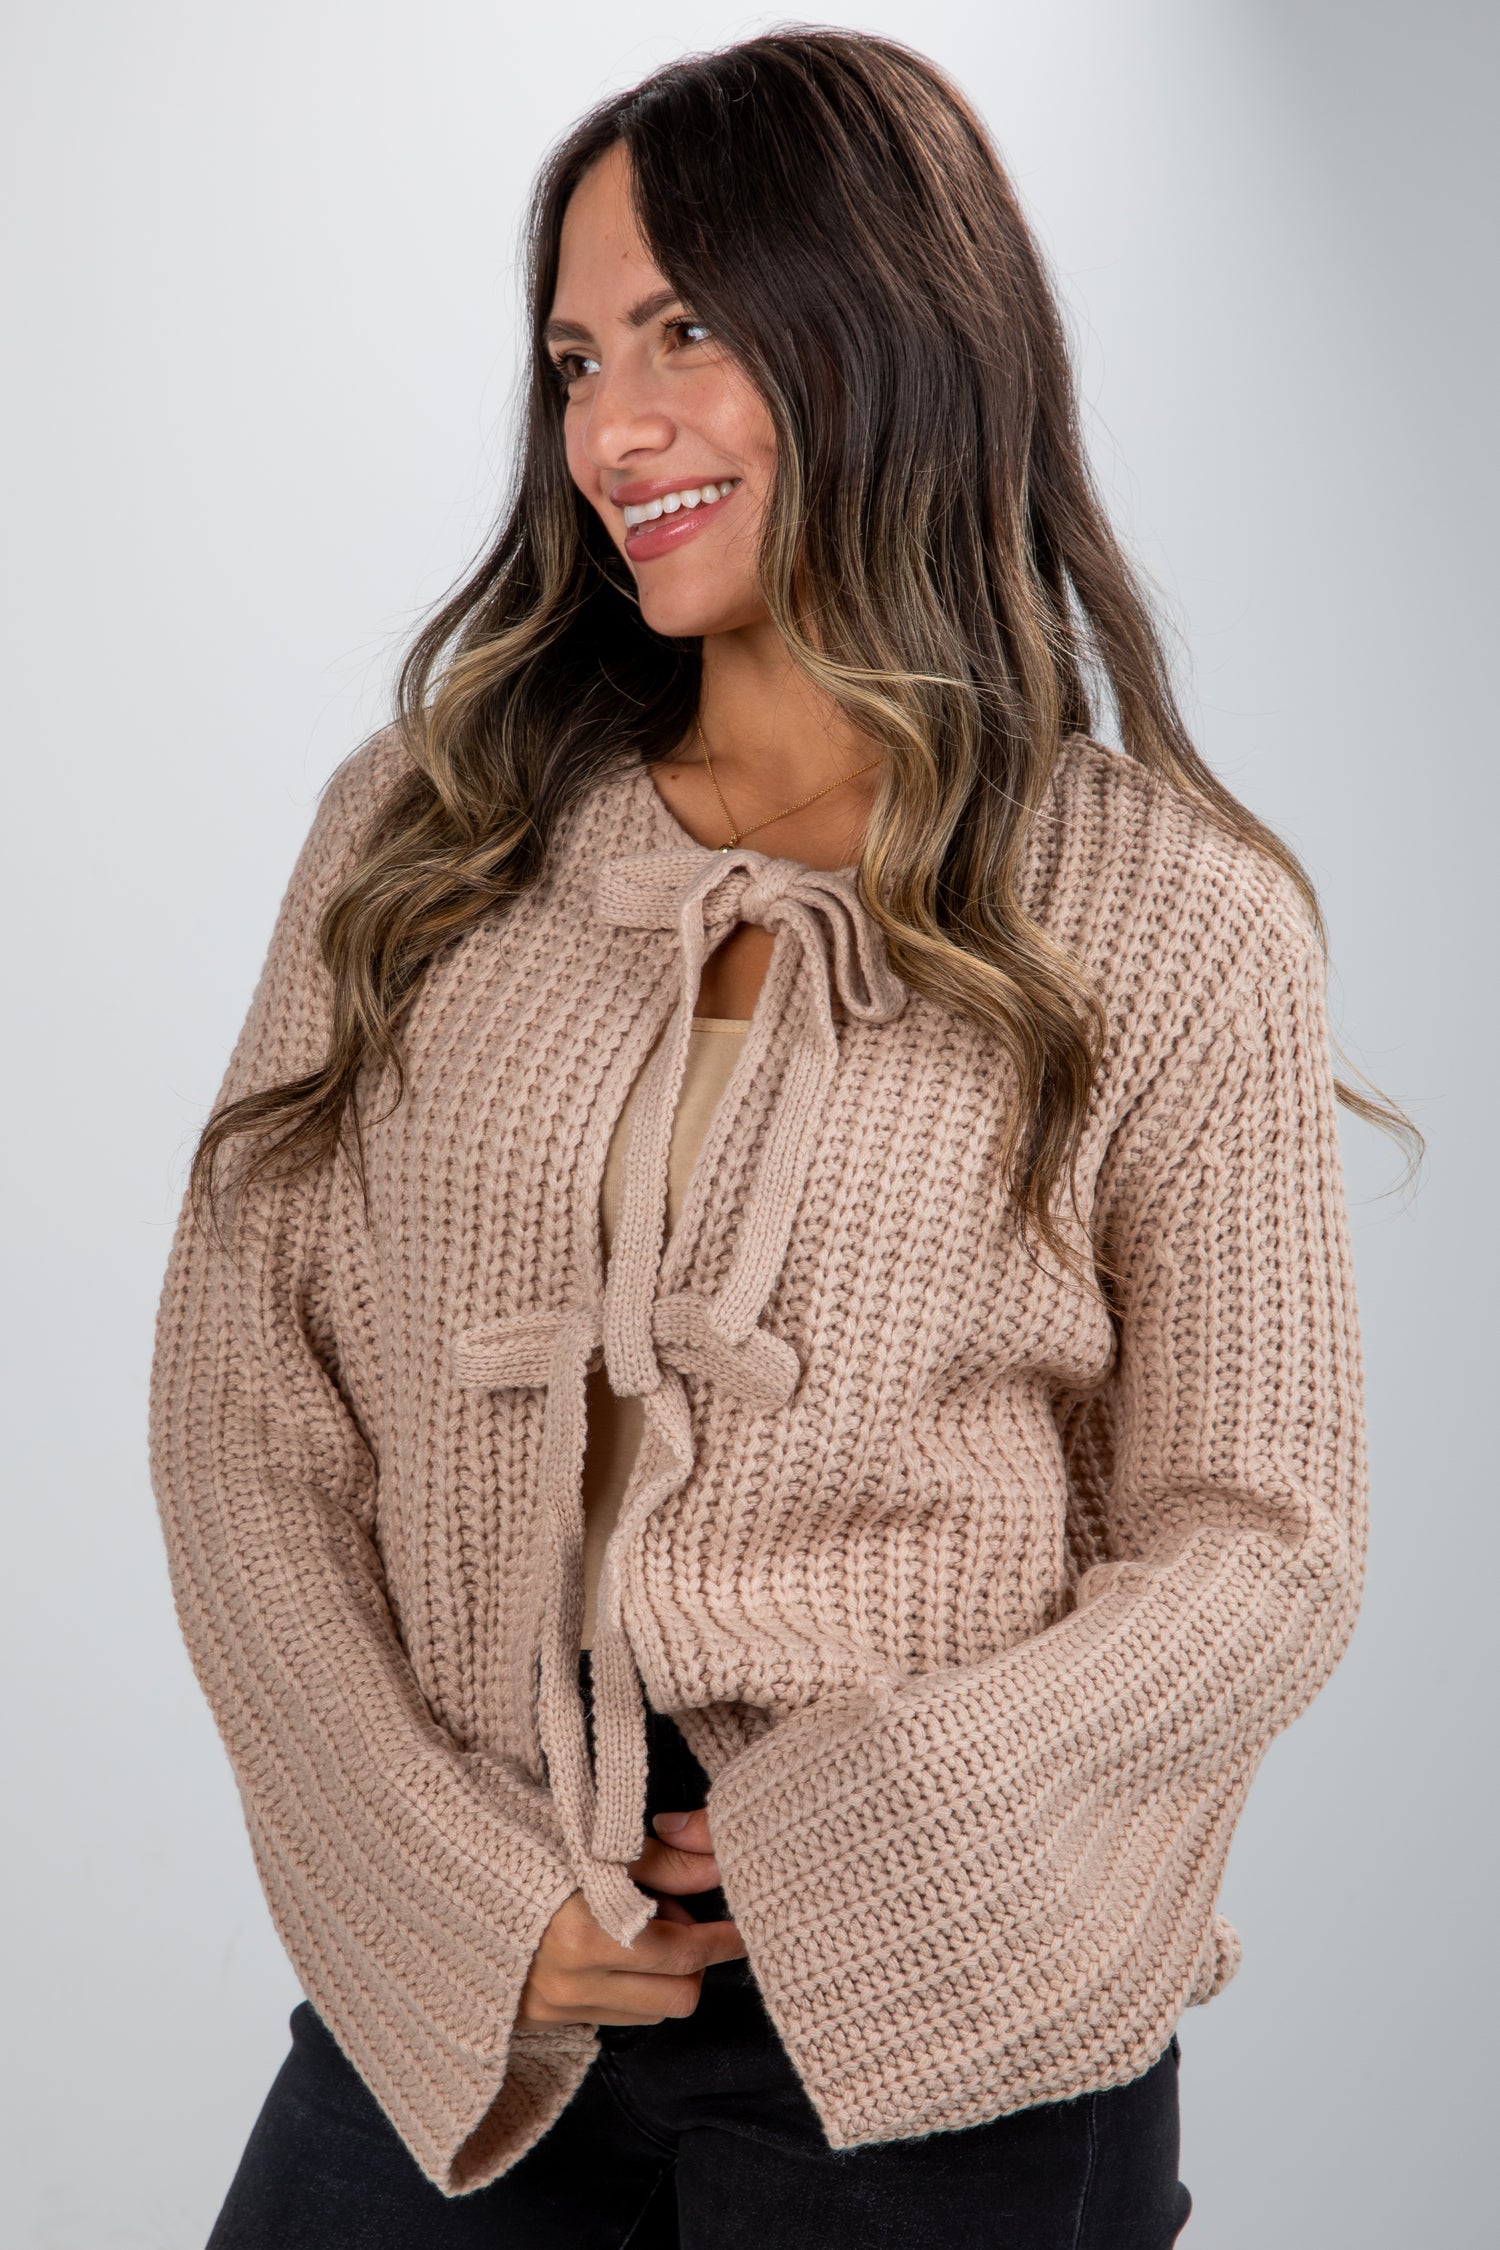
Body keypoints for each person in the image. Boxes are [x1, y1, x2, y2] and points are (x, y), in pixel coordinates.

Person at [150, 28, 1404, 2248]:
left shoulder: (1173, 913)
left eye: (685, 333)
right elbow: (240, 1410)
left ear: (887, 331)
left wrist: (903, 1813)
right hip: (478, 1984)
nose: (609, 431)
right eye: (575, 360)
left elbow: (1261, 1534)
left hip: (956, 2004)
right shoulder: (427, 834)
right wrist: (440, 1890)